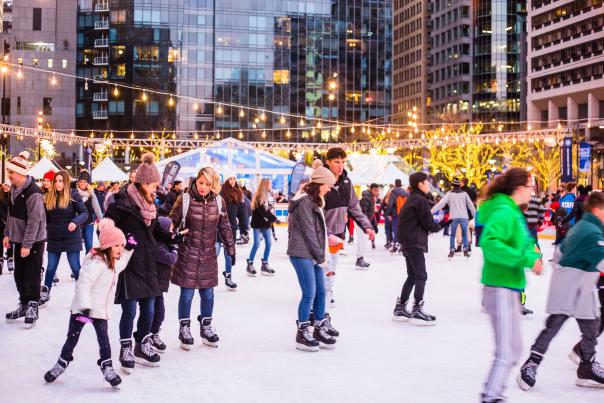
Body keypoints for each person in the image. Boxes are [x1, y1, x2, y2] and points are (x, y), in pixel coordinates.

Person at [517, 191, 604, 391]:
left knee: (592, 324)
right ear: (598, 210)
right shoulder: (590, 231)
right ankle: (531, 363)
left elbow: (560, 251)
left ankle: (587, 367)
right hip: (569, 283)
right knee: (554, 324)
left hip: (581, 282)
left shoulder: (587, 226)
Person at [478, 168, 543, 403]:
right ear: (519, 189)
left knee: (514, 349)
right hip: (500, 287)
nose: (532, 192)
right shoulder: (504, 211)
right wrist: (526, 259)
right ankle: (491, 396)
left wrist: (532, 253)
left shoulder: (511, 211)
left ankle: (492, 393)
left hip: (509, 287)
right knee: (506, 352)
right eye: (530, 187)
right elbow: (490, 243)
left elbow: (523, 242)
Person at [43, 218, 132, 388]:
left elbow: (122, 264)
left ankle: (107, 367)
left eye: (122, 245)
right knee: (72, 339)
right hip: (83, 311)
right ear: (107, 246)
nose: (120, 249)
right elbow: (83, 283)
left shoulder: (114, 261)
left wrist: (130, 249)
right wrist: (84, 306)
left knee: (103, 340)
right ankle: (62, 363)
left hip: (99, 312)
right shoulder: (96, 263)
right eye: (117, 246)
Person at [105, 153, 163, 372]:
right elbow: (106, 228)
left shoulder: (151, 205)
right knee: (130, 310)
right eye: (154, 185)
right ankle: (125, 347)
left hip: (148, 263)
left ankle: (142, 344)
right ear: (143, 183)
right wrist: (122, 241)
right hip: (129, 264)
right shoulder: (122, 203)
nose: (156, 189)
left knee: (149, 310)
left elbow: (154, 230)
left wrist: (171, 237)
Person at [169, 167, 236, 350]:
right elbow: (170, 223)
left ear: (213, 184)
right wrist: (176, 234)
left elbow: (225, 227)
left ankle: (205, 327)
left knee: (208, 293)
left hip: (208, 254)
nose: (203, 187)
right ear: (195, 181)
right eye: (200, 183)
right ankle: (184, 329)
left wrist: (231, 247)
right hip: (187, 253)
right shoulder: (184, 199)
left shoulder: (219, 202)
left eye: (207, 184)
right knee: (187, 294)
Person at [287, 163, 337, 351]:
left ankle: (318, 327)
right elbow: (309, 231)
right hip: (301, 253)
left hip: (314, 253)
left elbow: (318, 230)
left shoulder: (316, 201)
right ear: (320, 183)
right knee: (309, 293)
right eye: (328, 185)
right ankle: (302, 331)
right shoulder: (305, 202)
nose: (330, 188)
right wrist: (321, 257)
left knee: (321, 292)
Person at [323, 148, 375, 314]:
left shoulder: (346, 183)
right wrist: (325, 234)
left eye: (343, 162)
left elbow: (354, 207)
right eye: (337, 162)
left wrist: (366, 225)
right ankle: (320, 306)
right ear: (328, 162)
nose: (340, 165)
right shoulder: (322, 183)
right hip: (322, 236)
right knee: (325, 269)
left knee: (332, 269)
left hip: (338, 236)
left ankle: (325, 296)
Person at [393, 172, 444, 325]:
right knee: (421, 275)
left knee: (413, 276)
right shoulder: (419, 200)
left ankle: (400, 307)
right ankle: (417, 309)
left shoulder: (412, 198)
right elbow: (428, 223)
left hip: (407, 242)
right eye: (427, 182)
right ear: (420, 184)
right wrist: (442, 224)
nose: (428, 185)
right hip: (414, 242)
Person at [4, 151, 47, 328]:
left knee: (32, 273)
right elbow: (11, 214)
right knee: (19, 273)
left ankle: (33, 305)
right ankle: (23, 304)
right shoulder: (13, 189)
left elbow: (35, 220)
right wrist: (7, 233)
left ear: (20, 173)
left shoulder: (33, 192)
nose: (9, 175)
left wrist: (27, 244)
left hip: (33, 241)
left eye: (11, 172)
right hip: (19, 239)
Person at [39, 171, 89, 307]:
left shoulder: (73, 195)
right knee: (50, 267)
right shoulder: (50, 197)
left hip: (71, 237)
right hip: (55, 237)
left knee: (75, 267)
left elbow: (85, 213)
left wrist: (75, 221)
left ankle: (82, 294)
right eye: (56, 181)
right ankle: (46, 292)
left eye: (61, 181)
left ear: (66, 182)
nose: (58, 183)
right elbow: (45, 219)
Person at [148, 216, 180, 353]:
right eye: (171, 228)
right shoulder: (157, 246)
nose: (171, 232)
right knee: (153, 312)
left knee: (159, 312)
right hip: (152, 285)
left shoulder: (164, 244)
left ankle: (154, 333)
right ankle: (148, 335)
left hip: (158, 285)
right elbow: (170, 259)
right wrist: (174, 249)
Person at [431, 178, 476, 258]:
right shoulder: (464, 194)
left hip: (454, 216)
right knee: (465, 233)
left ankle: (452, 250)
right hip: (464, 216)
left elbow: (441, 204)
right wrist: (475, 215)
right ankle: (465, 249)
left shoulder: (449, 194)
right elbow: (471, 205)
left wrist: (432, 210)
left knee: (453, 234)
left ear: (453, 186)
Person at [247, 178, 278, 276]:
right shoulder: (258, 197)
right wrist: (275, 219)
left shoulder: (269, 196)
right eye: (270, 183)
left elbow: (269, 209)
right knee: (256, 244)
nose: (271, 185)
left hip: (266, 224)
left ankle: (265, 264)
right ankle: (250, 264)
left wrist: (272, 216)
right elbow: (263, 212)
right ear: (265, 185)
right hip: (258, 224)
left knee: (269, 243)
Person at [219, 169, 242, 290]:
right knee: (214, 253)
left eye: (234, 178)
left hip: (231, 228)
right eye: (230, 179)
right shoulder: (221, 194)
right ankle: (206, 277)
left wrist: (244, 229)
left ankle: (228, 277)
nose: (233, 181)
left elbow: (242, 212)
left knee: (228, 254)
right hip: (218, 227)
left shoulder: (238, 193)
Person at [77, 170, 103, 254]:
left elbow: (96, 207)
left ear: (87, 183)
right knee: (76, 246)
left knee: (89, 246)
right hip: (76, 223)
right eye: (81, 181)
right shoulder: (74, 192)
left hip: (88, 222)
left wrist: (102, 220)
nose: (82, 183)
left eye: (84, 182)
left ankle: (87, 264)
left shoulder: (91, 194)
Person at [357, 183, 379, 269]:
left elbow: (371, 214)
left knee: (363, 241)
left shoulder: (372, 198)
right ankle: (359, 260)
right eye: (375, 190)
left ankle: (360, 259)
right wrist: (366, 225)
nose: (376, 192)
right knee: (362, 241)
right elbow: (363, 213)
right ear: (370, 189)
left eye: (377, 190)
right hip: (360, 222)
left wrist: (374, 225)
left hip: (364, 222)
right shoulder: (366, 198)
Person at [385, 179, 408, 253]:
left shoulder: (393, 192)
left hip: (395, 214)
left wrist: (387, 213)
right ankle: (402, 246)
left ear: (395, 184)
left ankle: (395, 246)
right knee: (402, 230)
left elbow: (390, 204)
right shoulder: (405, 192)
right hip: (404, 214)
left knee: (395, 230)